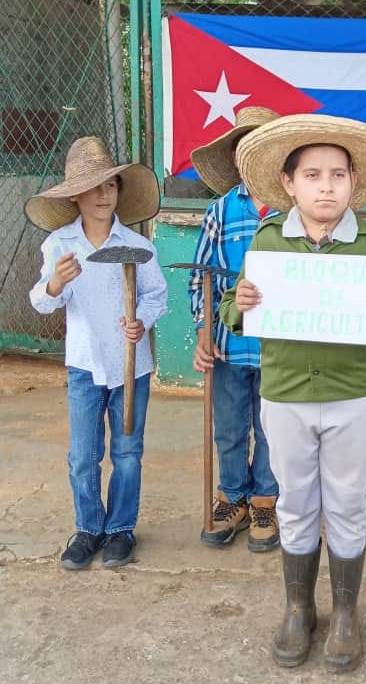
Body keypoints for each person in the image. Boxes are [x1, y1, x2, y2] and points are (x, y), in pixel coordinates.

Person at [220, 114, 366, 671]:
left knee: (348, 502)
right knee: (295, 501)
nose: (326, 186)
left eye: (337, 174)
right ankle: (298, 606)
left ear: (354, 182)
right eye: (312, 174)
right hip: (284, 394)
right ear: (289, 184)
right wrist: (239, 301)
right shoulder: (266, 241)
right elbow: (234, 313)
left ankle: (348, 613)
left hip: (352, 394)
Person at [27, 136, 167, 569]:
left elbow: (157, 295)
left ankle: (121, 528)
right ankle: (88, 528)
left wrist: (140, 320)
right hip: (85, 365)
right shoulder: (60, 246)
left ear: (119, 191)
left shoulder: (138, 245)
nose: (104, 195)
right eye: (94, 187)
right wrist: (56, 283)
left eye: (111, 185)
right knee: (83, 455)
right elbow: (41, 301)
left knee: (127, 451)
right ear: (75, 196)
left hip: (132, 366)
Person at [189, 106, 281, 552]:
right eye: (245, 148)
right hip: (228, 347)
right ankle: (233, 496)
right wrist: (204, 329)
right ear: (236, 157)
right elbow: (199, 278)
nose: (253, 156)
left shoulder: (291, 212)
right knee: (228, 426)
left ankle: (265, 497)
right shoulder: (221, 211)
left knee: (271, 428)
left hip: (279, 350)